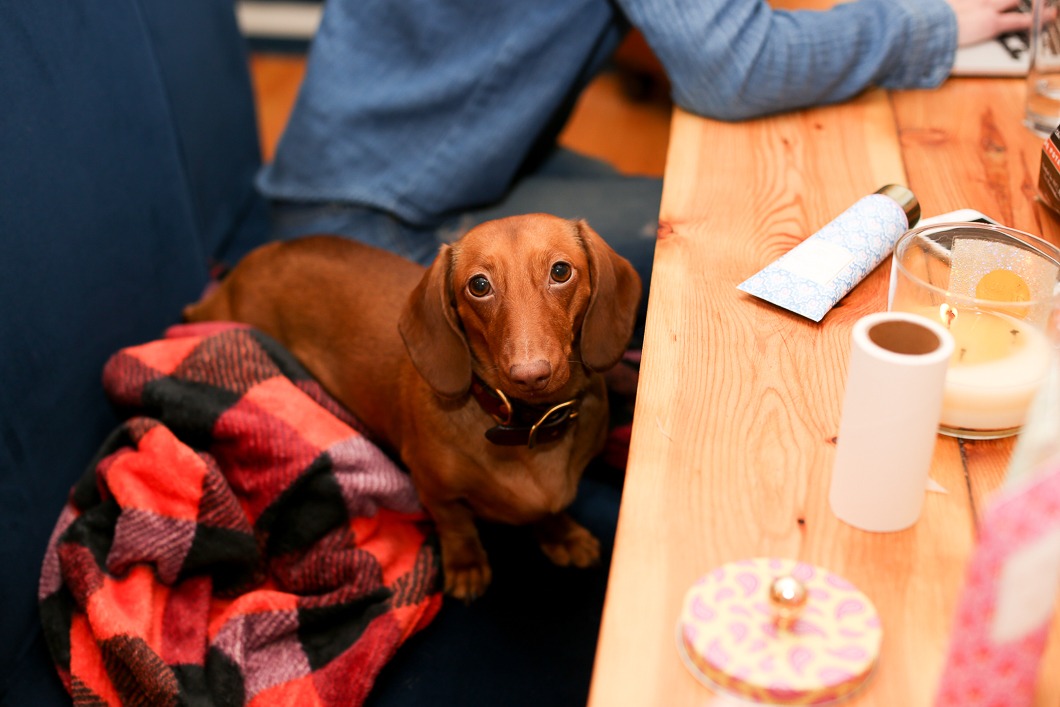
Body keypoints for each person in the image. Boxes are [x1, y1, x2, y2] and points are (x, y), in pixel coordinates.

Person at [252, 2, 1029, 707]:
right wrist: (934, 24)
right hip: (373, 204)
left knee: (711, 232)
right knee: (725, 253)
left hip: (459, 161)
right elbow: (731, 61)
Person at [257, 0, 1031, 341]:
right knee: (769, 250)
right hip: (372, 226)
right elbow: (736, 64)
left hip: (413, 165)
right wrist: (927, 25)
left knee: (786, 224)